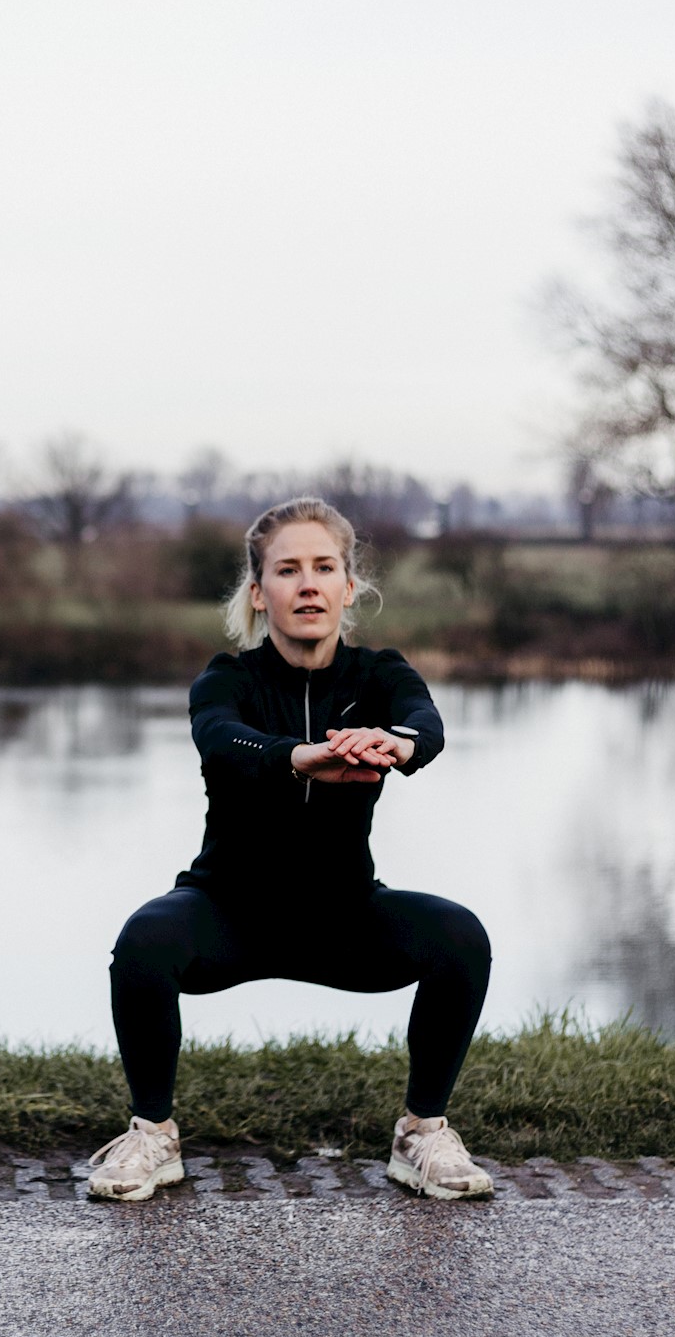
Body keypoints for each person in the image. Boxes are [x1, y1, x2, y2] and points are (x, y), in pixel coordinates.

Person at [86, 497, 495, 1202]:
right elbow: (221, 738)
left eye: (324, 567)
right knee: (145, 941)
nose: (307, 584)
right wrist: (299, 757)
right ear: (258, 592)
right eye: (287, 570)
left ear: (348, 587)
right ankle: (152, 1134)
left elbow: (423, 721)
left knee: (460, 936)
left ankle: (421, 1133)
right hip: (228, 914)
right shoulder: (228, 678)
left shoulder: (378, 675)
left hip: (344, 917)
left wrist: (399, 743)